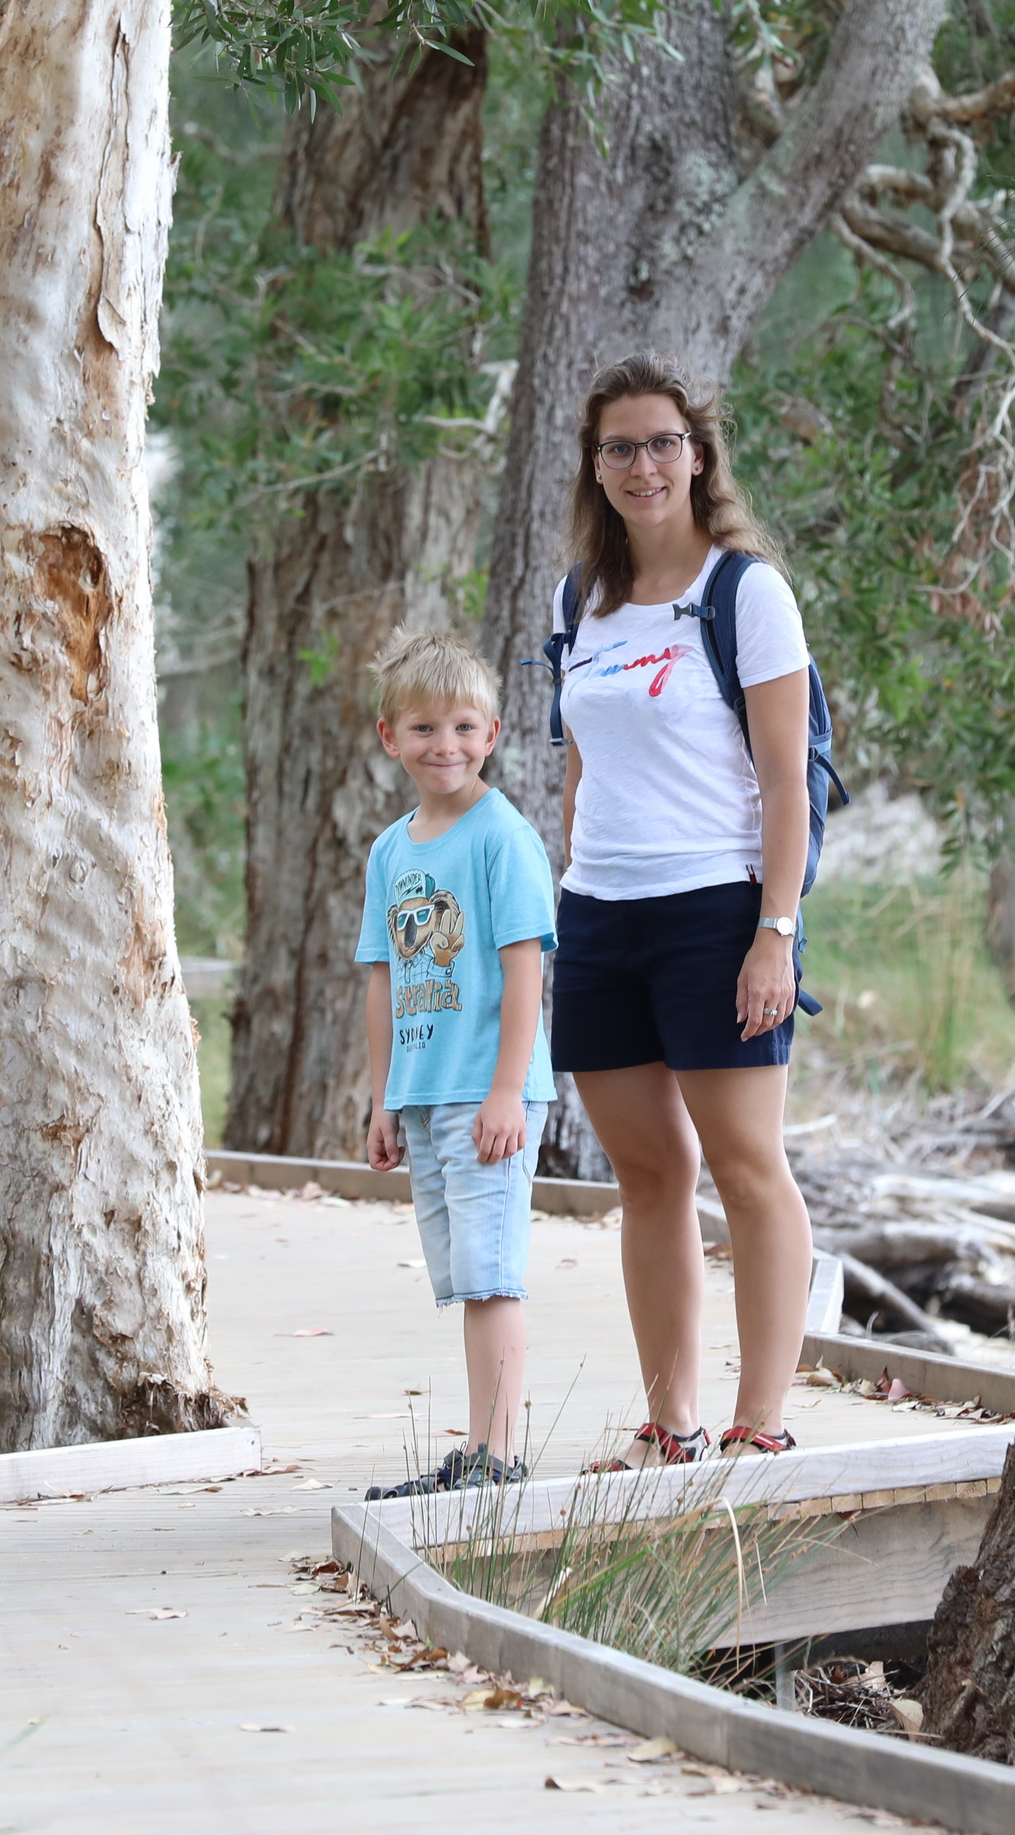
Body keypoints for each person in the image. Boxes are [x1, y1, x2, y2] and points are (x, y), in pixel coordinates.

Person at [546, 357, 818, 1470]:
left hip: (717, 909)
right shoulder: (578, 598)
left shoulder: (744, 591)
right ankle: (672, 1425)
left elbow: (787, 781)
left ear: (697, 455)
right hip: (602, 917)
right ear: (596, 466)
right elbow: (576, 761)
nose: (643, 464)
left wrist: (774, 931)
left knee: (747, 1164)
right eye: (620, 447)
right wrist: (573, 888)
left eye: (662, 442)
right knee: (649, 1175)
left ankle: (763, 1421)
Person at [353, 629, 560, 1500]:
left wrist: (509, 1088)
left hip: (489, 1093)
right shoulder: (392, 851)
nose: (447, 747)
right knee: (465, 1279)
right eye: (427, 729)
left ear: (495, 733)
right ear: (389, 736)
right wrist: (383, 1101)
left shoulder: (500, 838)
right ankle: (481, 1452)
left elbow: (525, 970)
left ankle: (497, 1459)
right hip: (428, 1093)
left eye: (465, 728)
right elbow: (382, 980)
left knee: (492, 1273)